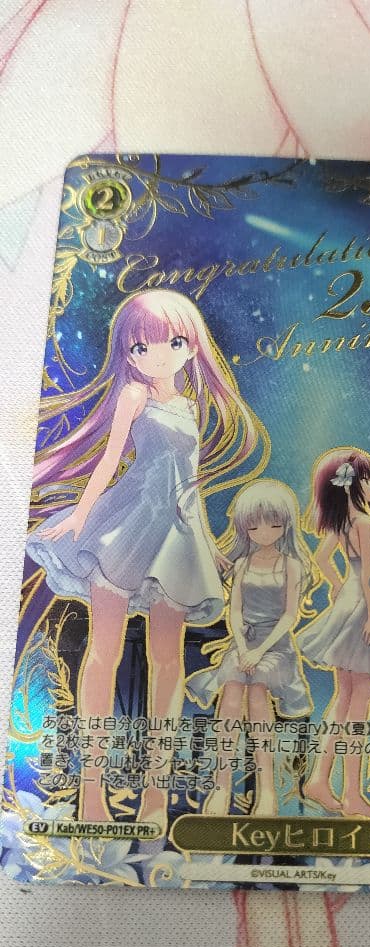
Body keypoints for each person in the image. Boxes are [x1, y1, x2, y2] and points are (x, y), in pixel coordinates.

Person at [27, 288, 268, 828]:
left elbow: (189, 485)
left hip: (176, 535)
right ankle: (92, 791)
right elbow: (109, 460)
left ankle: (155, 794)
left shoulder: (189, 405)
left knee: (168, 661)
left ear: (191, 346)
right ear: (128, 352)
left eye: (172, 342)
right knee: (103, 651)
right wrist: (81, 514)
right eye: (141, 346)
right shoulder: (133, 396)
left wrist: (208, 546)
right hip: (128, 523)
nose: (157, 355)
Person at [186, 480, 314, 817]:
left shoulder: (291, 565)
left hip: (277, 648)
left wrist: (258, 652)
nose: (263, 532)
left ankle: (267, 790)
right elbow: (235, 612)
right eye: (254, 526)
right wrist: (243, 648)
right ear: (245, 528)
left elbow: (290, 617)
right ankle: (221, 784)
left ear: (285, 524)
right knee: (231, 689)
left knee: (257, 691)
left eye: (273, 523)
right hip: (243, 644)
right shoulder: (242, 564)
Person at [297, 448, 370, 818]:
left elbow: (323, 558)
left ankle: (319, 780)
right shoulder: (362, 523)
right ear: (351, 485)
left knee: (343, 699)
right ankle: (352, 795)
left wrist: (335, 585)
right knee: (359, 704)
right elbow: (369, 574)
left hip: (350, 601)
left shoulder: (345, 522)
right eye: (368, 480)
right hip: (363, 607)